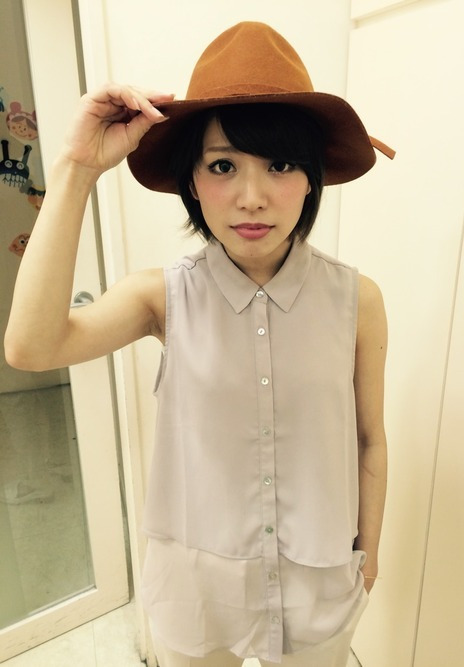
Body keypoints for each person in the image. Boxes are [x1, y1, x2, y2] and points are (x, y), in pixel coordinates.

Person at [5, 21, 390, 667]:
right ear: (191, 178)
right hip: (199, 589)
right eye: (223, 166)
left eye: (280, 164)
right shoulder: (162, 296)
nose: (252, 197)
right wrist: (75, 169)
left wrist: (368, 558)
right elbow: (32, 348)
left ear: (312, 178)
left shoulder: (358, 300)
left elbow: (369, 439)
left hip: (319, 579)